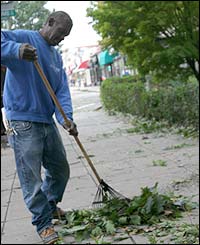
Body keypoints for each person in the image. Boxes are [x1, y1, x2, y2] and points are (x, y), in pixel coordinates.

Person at [1, 11, 78, 244]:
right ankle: (43, 224)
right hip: (22, 121)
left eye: (66, 36)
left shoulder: (56, 57)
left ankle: (50, 204)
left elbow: (61, 90)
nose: (62, 38)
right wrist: (16, 51)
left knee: (60, 169)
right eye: (61, 33)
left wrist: (67, 118)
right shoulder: (24, 38)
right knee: (30, 177)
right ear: (49, 22)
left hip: (46, 120)